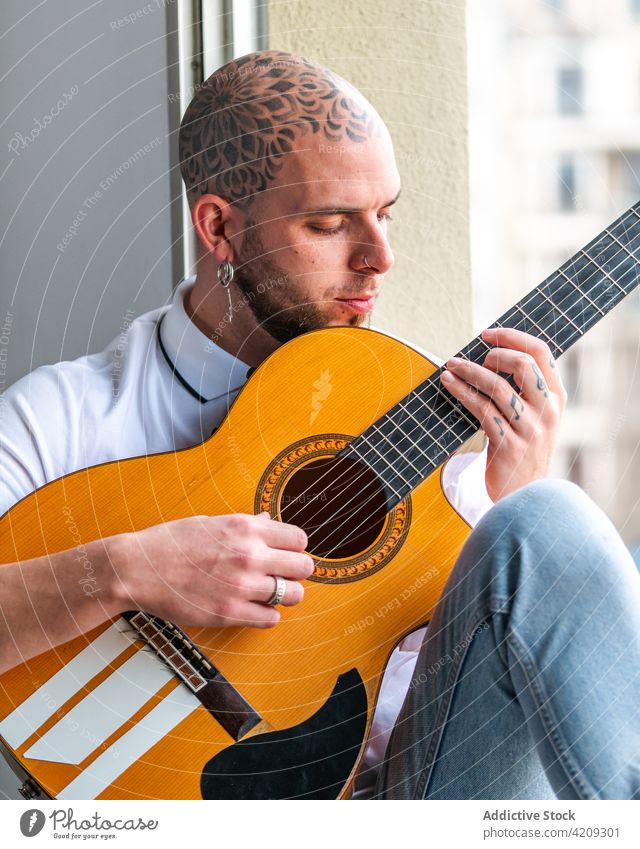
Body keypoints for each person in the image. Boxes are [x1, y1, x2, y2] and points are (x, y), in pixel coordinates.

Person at [0, 50, 638, 800]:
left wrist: (505, 500)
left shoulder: (433, 417)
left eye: (386, 214)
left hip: (412, 801)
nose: (380, 257)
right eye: (331, 223)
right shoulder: (62, 418)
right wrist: (125, 569)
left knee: (546, 514)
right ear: (219, 228)